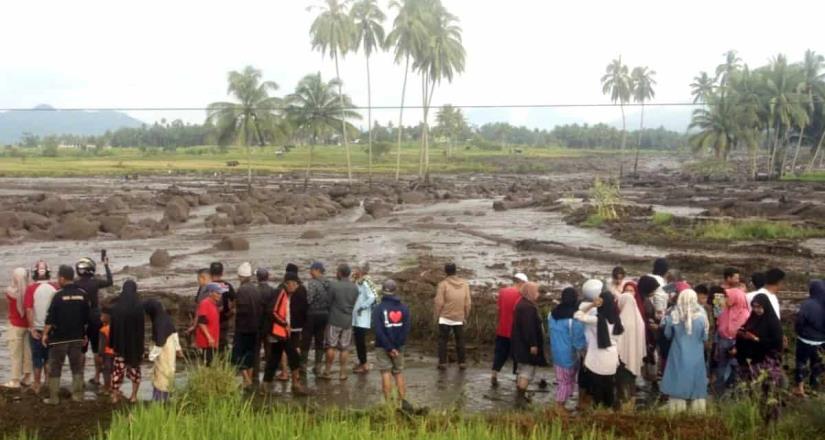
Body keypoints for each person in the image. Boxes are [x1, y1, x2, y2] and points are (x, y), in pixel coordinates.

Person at [42, 265, 91, 405]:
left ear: (62, 278)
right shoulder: (83, 294)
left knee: (55, 367)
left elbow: (50, 319)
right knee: (77, 367)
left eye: (58, 277)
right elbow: (87, 318)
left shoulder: (57, 295)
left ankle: (54, 398)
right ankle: (77, 396)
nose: (58, 280)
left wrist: (45, 334)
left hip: (58, 339)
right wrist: (84, 334)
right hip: (77, 337)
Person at [575, 280, 623, 409]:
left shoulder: (597, 320)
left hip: (597, 358)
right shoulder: (617, 320)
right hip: (612, 357)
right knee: (609, 388)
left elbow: (577, 315)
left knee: (597, 389)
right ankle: (608, 411)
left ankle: (598, 412)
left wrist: (591, 305)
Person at [659, 289, 709, 413]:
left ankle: (676, 409)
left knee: (677, 378)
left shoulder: (674, 316)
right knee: (696, 380)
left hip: (677, 353)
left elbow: (668, 334)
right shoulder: (702, 316)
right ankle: (698, 410)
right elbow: (705, 337)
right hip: (696, 354)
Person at [262, 272, 306, 395]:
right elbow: (272, 311)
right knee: (294, 356)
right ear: (289, 283)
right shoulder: (280, 292)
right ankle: (296, 385)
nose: (297, 287)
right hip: (279, 332)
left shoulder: (285, 293)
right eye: (296, 284)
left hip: (279, 332)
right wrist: (284, 324)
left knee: (274, 359)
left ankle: (265, 386)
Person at [74, 256, 113, 387]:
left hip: (81, 318)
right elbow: (109, 281)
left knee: (82, 350)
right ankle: (97, 377)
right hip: (96, 318)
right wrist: (106, 265)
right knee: (97, 350)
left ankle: (80, 378)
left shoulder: (75, 284)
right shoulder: (95, 282)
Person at [372, 279, 410, 402]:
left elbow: (378, 330)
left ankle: (388, 402)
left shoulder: (378, 308)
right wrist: (396, 347)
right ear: (395, 291)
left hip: (382, 346)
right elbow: (406, 329)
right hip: (399, 347)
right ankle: (402, 400)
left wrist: (389, 348)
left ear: (382, 291)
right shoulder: (404, 308)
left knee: (385, 372)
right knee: (398, 372)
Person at [548, 287, 586, 411]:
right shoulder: (574, 319)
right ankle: (559, 407)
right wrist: (585, 355)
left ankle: (560, 406)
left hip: (555, 353)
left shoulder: (552, 314)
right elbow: (578, 342)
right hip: (569, 356)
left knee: (561, 381)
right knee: (566, 382)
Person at [510, 282, 547, 405]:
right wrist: (533, 344)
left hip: (519, 344)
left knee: (522, 370)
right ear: (530, 292)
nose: (538, 294)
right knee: (527, 371)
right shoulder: (528, 308)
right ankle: (520, 398)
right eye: (536, 291)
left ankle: (520, 396)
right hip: (526, 346)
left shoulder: (522, 303)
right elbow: (529, 328)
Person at [24, 260, 58, 393]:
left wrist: (31, 328)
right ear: (48, 273)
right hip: (52, 330)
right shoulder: (55, 287)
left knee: (37, 358)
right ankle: (48, 382)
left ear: (34, 273)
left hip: (37, 329)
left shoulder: (31, 289)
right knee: (49, 357)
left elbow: (28, 309)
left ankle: (37, 384)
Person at [735, 294, 784, 383]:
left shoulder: (773, 322)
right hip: (750, 357)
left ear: (765, 306)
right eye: (754, 307)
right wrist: (741, 332)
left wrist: (756, 339)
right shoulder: (753, 317)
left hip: (765, 359)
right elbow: (746, 327)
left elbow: (776, 342)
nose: (756, 310)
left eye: (759, 307)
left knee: (763, 383)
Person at [109, 280, 145, 404]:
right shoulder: (139, 307)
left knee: (117, 371)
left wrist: (112, 344)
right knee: (135, 371)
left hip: (120, 346)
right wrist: (141, 347)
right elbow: (141, 330)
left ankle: (114, 396)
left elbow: (113, 328)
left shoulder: (116, 307)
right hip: (134, 347)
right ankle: (134, 396)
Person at [322, 264, 359, 380]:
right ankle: (342, 373)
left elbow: (327, 302)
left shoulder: (333, 286)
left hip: (334, 320)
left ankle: (327, 371)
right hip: (348, 321)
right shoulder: (355, 287)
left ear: (339, 273)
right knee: (345, 348)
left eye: (337, 271)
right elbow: (354, 303)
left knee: (331, 346)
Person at [491, 273, 528, 387]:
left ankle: (494, 375)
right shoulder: (522, 295)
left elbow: (500, 308)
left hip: (502, 328)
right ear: (521, 283)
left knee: (500, 353)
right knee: (518, 356)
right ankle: (518, 379)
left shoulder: (503, 292)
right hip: (516, 331)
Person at [434, 263, 471, 370]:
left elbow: (439, 302)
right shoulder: (464, 284)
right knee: (460, 340)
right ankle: (462, 362)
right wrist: (465, 316)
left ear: (445, 272)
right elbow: (468, 302)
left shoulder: (443, 284)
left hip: (444, 316)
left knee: (443, 341)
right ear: (456, 271)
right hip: (459, 317)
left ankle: (442, 363)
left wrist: (436, 315)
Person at [616, 281, 646, 409]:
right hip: (634, 356)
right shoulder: (639, 320)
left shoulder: (621, 321)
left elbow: (617, 341)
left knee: (622, 383)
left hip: (622, 358)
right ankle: (631, 406)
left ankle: (625, 409)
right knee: (631, 383)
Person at [714, 287, 750, 394]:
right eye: (726, 297)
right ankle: (719, 391)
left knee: (735, 367)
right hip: (723, 341)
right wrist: (716, 344)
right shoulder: (723, 308)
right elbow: (717, 324)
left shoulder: (745, 314)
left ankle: (731, 391)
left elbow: (745, 333)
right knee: (721, 366)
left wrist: (736, 346)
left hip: (737, 343)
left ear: (737, 298)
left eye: (728, 297)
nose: (726, 299)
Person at [144, 299, 180, 402]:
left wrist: (151, 356)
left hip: (164, 350)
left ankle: (159, 400)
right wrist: (178, 348)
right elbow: (174, 332)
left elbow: (160, 342)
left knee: (161, 375)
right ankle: (168, 398)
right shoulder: (165, 317)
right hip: (171, 347)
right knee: (169, 372)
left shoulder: (158, 321)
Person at [794, 280, 825, 396]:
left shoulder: (807, 304)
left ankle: (800, 387)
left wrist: (798, 331)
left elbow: (800, 321)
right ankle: (814, 385)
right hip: (822, 341)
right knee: (817, 363)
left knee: (801, 362)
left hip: (805, 340)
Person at [232, 262, 260, 387]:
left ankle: (246, 380)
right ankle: (248, 379)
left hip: (243, 328)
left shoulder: (241, 290)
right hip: (255, 327)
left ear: (240, 276)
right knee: (251, 354)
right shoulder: (255, 289)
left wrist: (233, 310)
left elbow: (241, 310)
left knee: (239, 354)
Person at [4, 267, 32, 389]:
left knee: (15, 354)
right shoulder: (31, 291)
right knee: (27, 352)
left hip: (15, 325)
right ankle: (27, 377)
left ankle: (15, 380)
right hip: (28, 325)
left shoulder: (10, 292)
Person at [303, 262, 332, 375]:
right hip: (325, 314)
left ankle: (303, 365)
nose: (310, 272)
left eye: (311, 270)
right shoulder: (328, 282)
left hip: (312, 315)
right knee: (320, 340)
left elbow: (309, 300)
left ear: (317, 270)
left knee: (307, 339)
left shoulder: (312, 283)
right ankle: (318, 366)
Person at [352, 262, 377, 374]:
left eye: (356, 268)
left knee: (360, 341)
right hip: (357, 317)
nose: (354, 270)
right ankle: (362, 362)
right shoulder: (359, 281)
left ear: (362, 271)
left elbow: (372, 297)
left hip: (362, 317)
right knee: (358, 341)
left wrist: (362, 307)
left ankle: (364, 364)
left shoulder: (365, 282)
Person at [253, 267, 277, 383]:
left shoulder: (254, 290)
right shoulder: (272, 291)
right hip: (269, 324)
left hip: (257, 324)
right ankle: (269, 375)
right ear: (267, 277)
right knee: (269, 350)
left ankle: (255, 375)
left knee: (256, 351)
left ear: (258, 278)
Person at [636, 275, 660, 383]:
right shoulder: (643, 301)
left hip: (647, 333)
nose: (654, 292)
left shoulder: (643, 299)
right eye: (653, 290)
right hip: (646, 334)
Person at [196, 283, 225, 365]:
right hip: (206, 342)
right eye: (218, 293)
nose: (220, 296)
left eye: (220, 293)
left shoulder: (214, 305)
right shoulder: (205, 303)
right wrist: (209, 338)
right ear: (211, 293)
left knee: (211, 363)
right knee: (207, 364)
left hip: (213, 341)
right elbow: (201, 322)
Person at [210, 262, 236, 353]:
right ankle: (222, 363)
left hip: (209, 322)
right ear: (222, 273)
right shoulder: (226, 286)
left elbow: (199, 304)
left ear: (210, 273)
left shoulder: (207, 287)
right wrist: (230, 312)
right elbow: (234, 300)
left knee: (210, 345)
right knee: (222, 343)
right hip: (223, 320)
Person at [98, 307, 114, 396]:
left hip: (106, 353)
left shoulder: (103, 330)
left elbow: (102, 344)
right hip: (115, 353)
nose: (100, 317)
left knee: (106, 371)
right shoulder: (115, 327)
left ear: (106, 317)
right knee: (113, 371)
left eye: (102, 315)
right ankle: (113, 387)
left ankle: (107, 388)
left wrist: (100, 355)